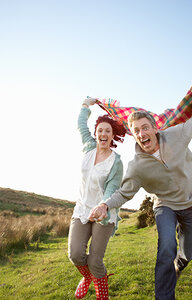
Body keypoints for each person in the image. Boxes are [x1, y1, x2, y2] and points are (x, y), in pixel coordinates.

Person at [89, 75, 192, 300]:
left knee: (186, 254)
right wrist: (104, 205)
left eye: (145, 128)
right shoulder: (137, 166)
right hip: (165, 205)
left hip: (189, 204)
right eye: (136, 130)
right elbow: (124, 192)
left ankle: (180, 263)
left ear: (154, 128)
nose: (141, 134)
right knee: (166, 245)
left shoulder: (176, 136)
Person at [68, 97, 126, 300]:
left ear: (112, 136)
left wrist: (103, 206)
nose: (103, 133)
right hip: (82, 209)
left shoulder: (116, 162)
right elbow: (80, 124)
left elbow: (112, 188)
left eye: (107, 131)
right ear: (95, 134)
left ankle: (102, 295)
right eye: (100, 130)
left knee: (94, 260)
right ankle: (87, 278)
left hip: (104, 213)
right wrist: (85, 105)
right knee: (75, 254)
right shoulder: (88, 147)